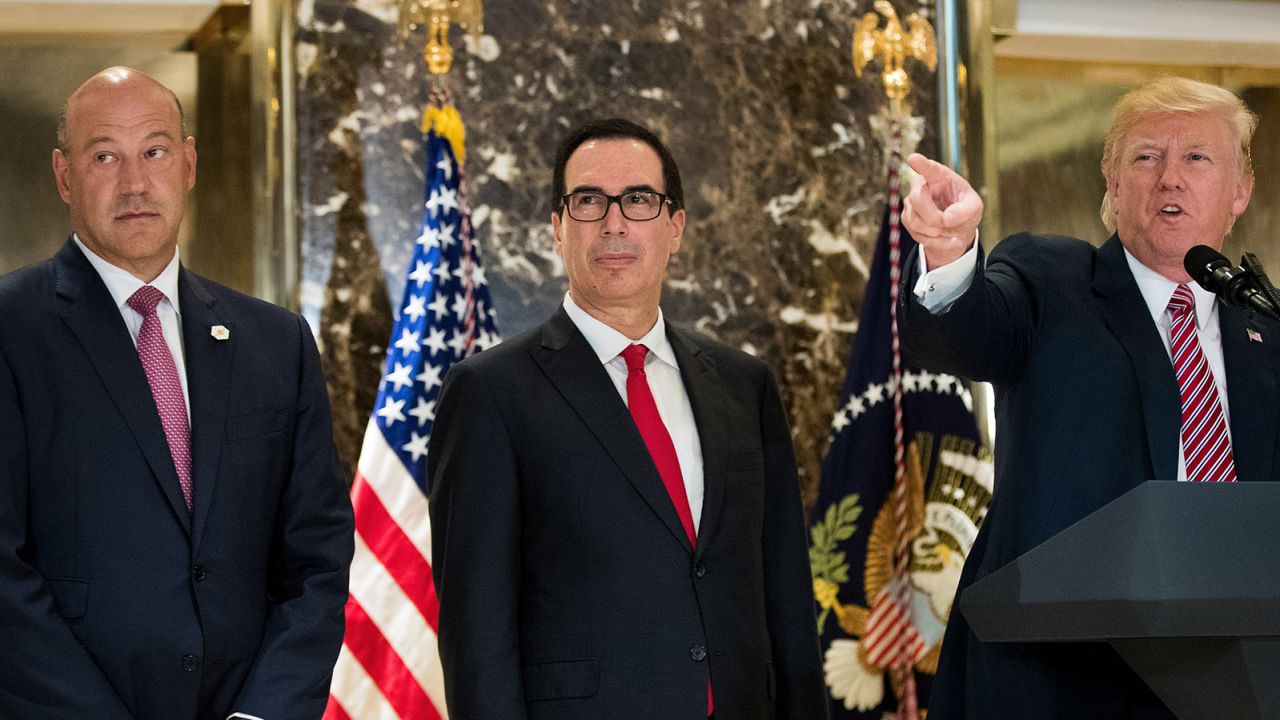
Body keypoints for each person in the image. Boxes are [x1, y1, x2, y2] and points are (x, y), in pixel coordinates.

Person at [898, 77, 1280, 718]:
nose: (1170, 179)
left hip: (1233, 677)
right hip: (1057, 676)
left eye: (1196, 157)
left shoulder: (1265, 328)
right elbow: (966, 336)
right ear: (1111, 182)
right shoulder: (1050, 278)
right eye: (1145, 157)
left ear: (1239, 190)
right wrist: (948, 249)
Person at [427, 118, 827, 719]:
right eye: (589, 201)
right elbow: (477, 636)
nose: (614, 222)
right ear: (557, 231)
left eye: (638, 199)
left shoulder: (744, 386)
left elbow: (787, 598)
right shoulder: (490, 393)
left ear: (676, 227)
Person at [0, 67, 354, 719]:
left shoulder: (277, 342)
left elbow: (317, 558)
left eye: (155, 151)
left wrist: (264, 712)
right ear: (64, 176)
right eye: (105, 155)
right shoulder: (11, 328)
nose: (134, 182)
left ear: (188, 163)